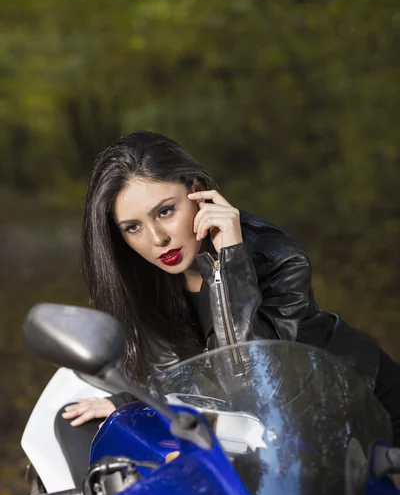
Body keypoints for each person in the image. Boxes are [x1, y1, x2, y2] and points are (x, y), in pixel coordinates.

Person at [61, 130, 400, 445]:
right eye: (133, 227)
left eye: (165, 211)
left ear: (197, 190)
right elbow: (179, 369)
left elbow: (256, 385)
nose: (157, 239)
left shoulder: (275, 255)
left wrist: (229, 268)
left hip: (363, 405)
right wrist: (130, 400)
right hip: (283, 440)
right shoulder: (141, 278)